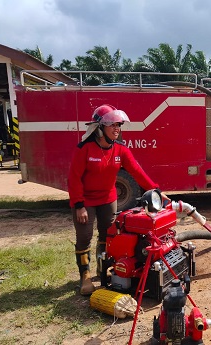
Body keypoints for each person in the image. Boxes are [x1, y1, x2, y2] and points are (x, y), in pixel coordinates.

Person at [68, 104, 169, 296]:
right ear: (99, 127)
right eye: (112, 125)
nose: (117, 129)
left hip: (108, 198)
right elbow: (73, 179)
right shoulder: (84, 149)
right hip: (85, 201)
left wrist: (156, 190)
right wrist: (79, 205)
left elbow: (137, 172)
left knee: (108, 235)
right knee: (84, 237)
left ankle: (101, 267)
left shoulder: (120, 150)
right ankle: (85, 276)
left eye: (119, 125)